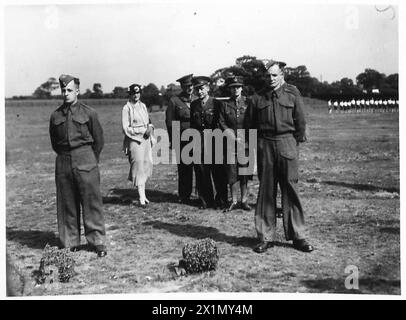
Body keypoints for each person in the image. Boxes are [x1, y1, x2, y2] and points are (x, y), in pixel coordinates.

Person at [246, 60, 313, 253]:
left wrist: (293, 144)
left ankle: (299, 236)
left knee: (290, 189)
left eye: (274, 75)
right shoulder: (257, 97)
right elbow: (249, 125)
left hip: (287, 142)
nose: (271, 79)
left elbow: (300, 121)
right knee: (266, 191)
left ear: (282, 75)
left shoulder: (292, 93)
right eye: (268, 76)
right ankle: (265, 237)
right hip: (265, 144)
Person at [49, 74, 107, 257]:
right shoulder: (56, 115)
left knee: (91, 203)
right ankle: (70, 241)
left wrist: (91, 159)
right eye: (63, 90)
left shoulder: (89, 113)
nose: (66, 94)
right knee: (67, 203)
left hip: (86, 160)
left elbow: (99, 140)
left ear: (77, 91)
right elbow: (54, 143)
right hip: (64, 161)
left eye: (69, 90)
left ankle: (97, 241)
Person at [190, 76, 228, 209]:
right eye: (197, 90)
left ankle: (222, 200)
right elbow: (192, 124)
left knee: (218, 171)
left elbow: (221, 122)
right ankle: (206, 200)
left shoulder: (217, 103)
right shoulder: (194, 105)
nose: (199, 92)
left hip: (214, 138)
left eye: (201, 89)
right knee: (201, 171)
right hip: (198, 139)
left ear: (207, 88)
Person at [218, 76, 252, 211]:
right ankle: (234, 200)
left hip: (246, 141)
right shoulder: (225, 104)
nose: (235, 89)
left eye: (238, 87)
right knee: (232, 172)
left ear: (242, 88)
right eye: (233, 87)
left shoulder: (248, 103)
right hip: (230, 143)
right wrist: (232, 137)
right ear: (230, 89)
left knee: (245, 172)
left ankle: (244, 201)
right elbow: (221, 122)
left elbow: (252, 121)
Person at [122, 84, 154, 208]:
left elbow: (148, 121)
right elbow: (126, 127)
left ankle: (144, 194)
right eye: (133, 93)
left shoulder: (143, 106)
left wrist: (150, 128)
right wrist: (140, 132)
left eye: (138, 93)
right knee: (138, 165)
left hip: (146, 139)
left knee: (147, 163)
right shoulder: (127, 108)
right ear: (130, 94)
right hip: (135, 140)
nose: (136, 95)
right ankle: (141, 196)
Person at [165, 74, 195, 203]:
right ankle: (184, 196)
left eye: (191, 85)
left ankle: (203, 195)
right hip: (183, 139)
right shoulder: (175, 101)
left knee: (201, 169)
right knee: (184, 169)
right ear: (182, 87)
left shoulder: (197, 98)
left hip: (199, 139)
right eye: (187, 86)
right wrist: (174, 140)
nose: (190, 88)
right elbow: (170, 122)